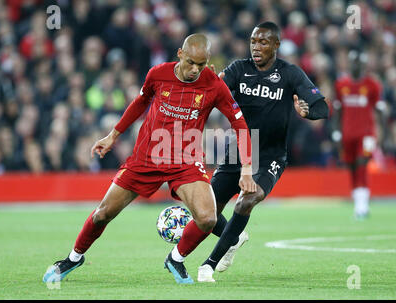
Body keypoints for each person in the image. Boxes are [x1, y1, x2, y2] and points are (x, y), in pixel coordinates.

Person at [43, 33, 257, 285]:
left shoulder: (213, 85)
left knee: (208, 218)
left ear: (208, 61)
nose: (195, 70)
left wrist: (246, 167)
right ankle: (74, 257)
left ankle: (175, 258)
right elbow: (139, 102)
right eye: (190, 62)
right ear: (180, 54)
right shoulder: (158, 74)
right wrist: (113, 135)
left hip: (185, 161)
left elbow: (240, 124)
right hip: (147, 157)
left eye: (201, 65)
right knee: (102, 214)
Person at [197, 22, 329, 282]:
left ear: (276, 45)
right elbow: (213, 92)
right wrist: (208, 82)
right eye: (253, 42)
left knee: (248, 198)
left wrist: (308, 112)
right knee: (206, 210)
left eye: (263, 42)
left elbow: (322, 107)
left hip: (271, 155)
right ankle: (233, 238)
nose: (256, 47)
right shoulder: (239, 69)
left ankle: (208, 265)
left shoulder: (290, 74)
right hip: (239, 151)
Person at [332, 50, 384, 220]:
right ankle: (359, 203)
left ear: (363, 65)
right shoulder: (341, 84)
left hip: (367, 134)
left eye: (359, 63)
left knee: (362, 163)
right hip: (348, 134)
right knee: (352, 166)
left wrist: (381, 133)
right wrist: (337, 133)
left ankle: (362, 206)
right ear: (349, 64)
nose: (356, 66)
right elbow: (338, 111)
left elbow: (379, 110)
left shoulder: (372, 84)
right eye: (353, 62)